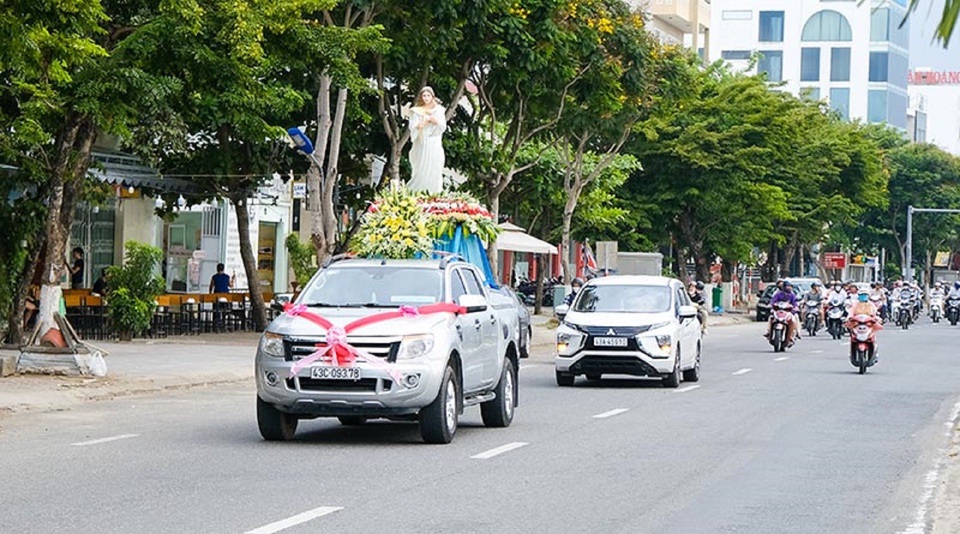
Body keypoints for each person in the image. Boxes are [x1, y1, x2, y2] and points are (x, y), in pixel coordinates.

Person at [406, 86, 446, 194]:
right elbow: (412, 126)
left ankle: (434, 192)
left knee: (435, 165)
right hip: (422, 140)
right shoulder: (416, 111)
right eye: (424, 96)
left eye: (428, 95)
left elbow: (442, 126)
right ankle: (417, 190)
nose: (426, 98)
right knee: (420, 166)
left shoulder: (439, 110)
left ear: (432, 96)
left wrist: (434, 120)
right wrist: (420, 125)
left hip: (434, 141)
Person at [846, 289, 883, 360]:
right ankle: (852, 353)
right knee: (853, 336)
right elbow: (850, 313)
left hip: (868, 324)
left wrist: (877, 319)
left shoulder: (871, 305)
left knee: (872, 336)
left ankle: (875, 352)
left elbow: (875, 314)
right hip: (857, 324)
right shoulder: (855, 304)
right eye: (861, 295)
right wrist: (848, 318)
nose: (863, 297)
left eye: (865, 295)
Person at [766, 280, 800, 345]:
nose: (789, 288)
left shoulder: (792, 295)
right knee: (771, 318)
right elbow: (773, 301)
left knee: (793, 320)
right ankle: (768, 332)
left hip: (788, 312)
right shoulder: (778, 294)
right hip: (779, 311)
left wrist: (795, 308)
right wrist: (771, 305)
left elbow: (795, 303)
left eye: (790, 286)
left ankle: (792, 335)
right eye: (787, 286)